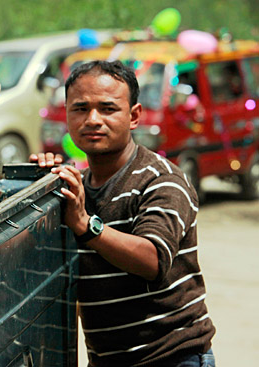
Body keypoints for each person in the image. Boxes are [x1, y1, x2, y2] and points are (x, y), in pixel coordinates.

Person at [32, 60, 215, 366]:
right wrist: (35, 190)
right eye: (80, 109)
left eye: (107, 108)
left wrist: (84, 224)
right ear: (65, 114)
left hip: (171, 358)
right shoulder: (75, 187)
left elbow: (153, 260)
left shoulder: (162, 180)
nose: (92, 119)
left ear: (133, 116)